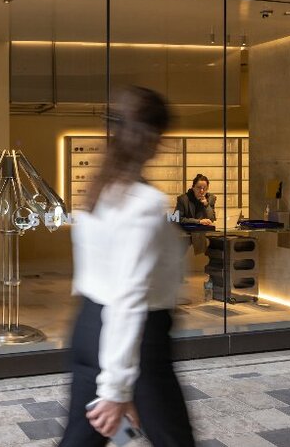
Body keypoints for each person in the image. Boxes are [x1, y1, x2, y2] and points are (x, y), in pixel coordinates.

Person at [59, 87, 195, 447]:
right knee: (175, 441)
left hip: (89, 327)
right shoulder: (144, 203)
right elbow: (129, 296)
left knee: (80, 440)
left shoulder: (98, 191)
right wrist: (117, 387)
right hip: (139, 339)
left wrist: (115, 385)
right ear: (153, 139)